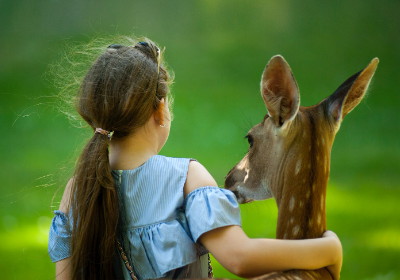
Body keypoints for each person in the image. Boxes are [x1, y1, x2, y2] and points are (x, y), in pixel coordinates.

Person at [48, 39, 342, 280]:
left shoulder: (78, 189)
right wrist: (328, 249)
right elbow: (241, 259)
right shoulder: (185, 177)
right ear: (160, 110)